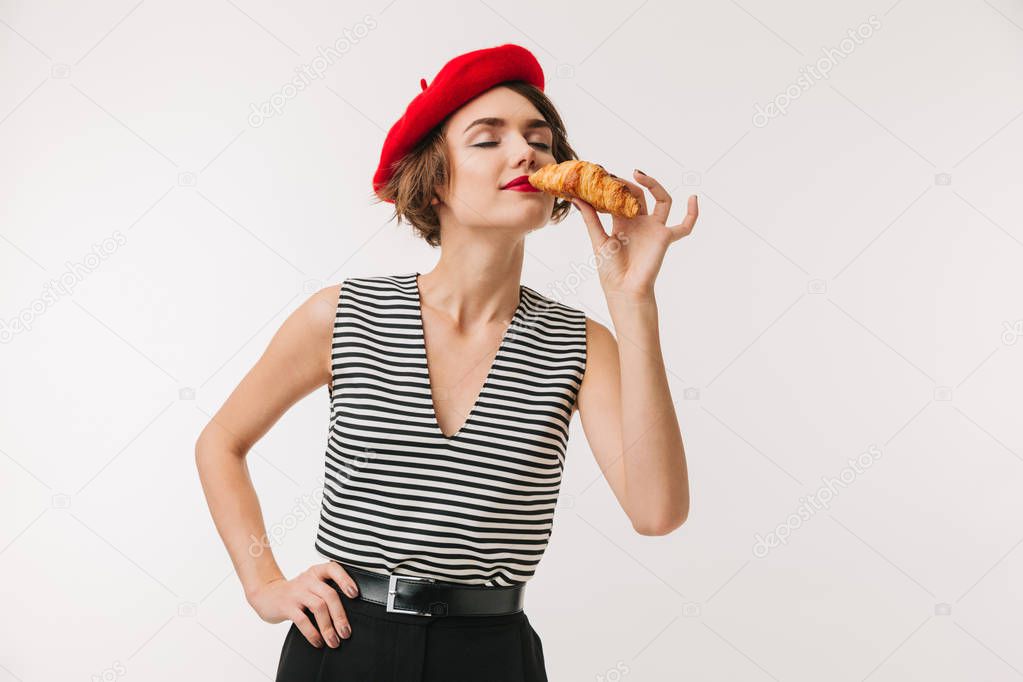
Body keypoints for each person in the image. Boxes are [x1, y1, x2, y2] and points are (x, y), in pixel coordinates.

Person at [195, 43, 697, 681]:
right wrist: (263, 582)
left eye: (539, 139)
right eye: (488, 139)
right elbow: (221, 442)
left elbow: (657, 513)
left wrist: (633, 302)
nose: (527, 152)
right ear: (435, 181)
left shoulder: (581, 344)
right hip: (343, 643)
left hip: (490, 653)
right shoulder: (344, 314)